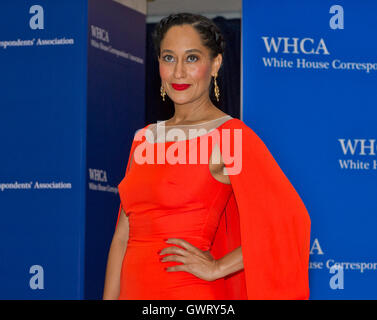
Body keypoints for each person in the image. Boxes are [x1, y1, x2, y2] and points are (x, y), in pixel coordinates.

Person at [103, 13, 311, 300]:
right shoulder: (144, 138)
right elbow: (122, 236)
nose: (178, 72)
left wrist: (218, 267)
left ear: (215, 64)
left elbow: (289, 222)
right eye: (168, 58)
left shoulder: (229, 136)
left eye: (191, 59)